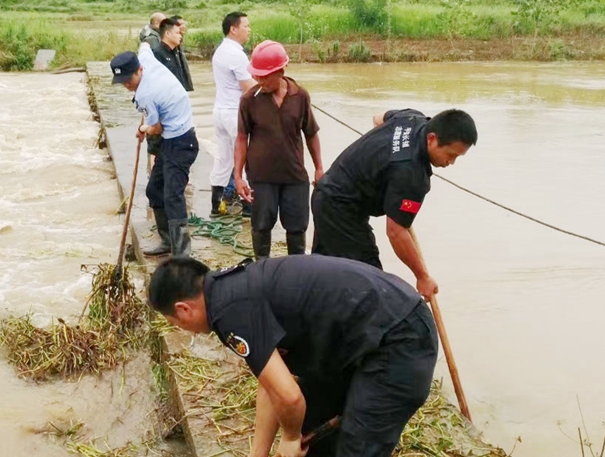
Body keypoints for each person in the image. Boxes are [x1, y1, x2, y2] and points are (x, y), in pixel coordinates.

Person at [148, 255, 438, 457]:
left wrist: (288, 438)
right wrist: (258, 453)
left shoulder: (228, 313)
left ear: (183, 309)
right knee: (313, 426)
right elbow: (272, 381)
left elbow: (289, 397)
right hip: (368, 332)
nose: (186, 332)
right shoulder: (229, 292)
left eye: (176, 324)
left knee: (357, 447)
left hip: (399, 337)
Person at [312, 108, 478, 300]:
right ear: (432, 138)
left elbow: (378, 119)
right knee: (369, 285)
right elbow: (396, 232)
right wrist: (422, 277)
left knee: (326, 276)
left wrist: (382, 156)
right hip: (339, 211)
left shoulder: (411, 118)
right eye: (451, 154)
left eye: (458, 157)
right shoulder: (411, 175)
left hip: (327, 194)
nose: (452, 162)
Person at [234, 40, 324, 258]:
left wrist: (319, 168)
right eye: (257, 75)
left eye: (264, 76)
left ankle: (295, 272)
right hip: (261, 176)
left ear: (280, 71)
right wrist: (238, 176)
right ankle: (261, 270)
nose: (259, 80)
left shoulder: (300, 96)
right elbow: (241, 137)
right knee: (261, 226)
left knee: (296, 228)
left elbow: (311, 133)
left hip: (294, 175)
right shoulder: (249, 100)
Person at [110, 51, 198, 258]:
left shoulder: (145, 95)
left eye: (129, 79)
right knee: (155, 190)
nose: (126, 85)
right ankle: (167, 241)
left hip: (182, 141)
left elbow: (156, 128)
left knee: (172, 195)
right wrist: (147, 125)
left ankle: (182, 254)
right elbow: (145, 46)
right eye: (121, 81)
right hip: (170, 141)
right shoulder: (147, 60)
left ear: (139, 70)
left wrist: (143, 130)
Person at [210, 12, 256, 216]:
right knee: (244, 157)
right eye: (246, 26)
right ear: (233, 29)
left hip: (220, 111)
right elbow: (248, 87)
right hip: (234, 113)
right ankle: (248, 207)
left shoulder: (221, 50)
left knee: (224, 159)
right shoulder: (236, 54)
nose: (249, 29)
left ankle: (216, 204)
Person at [153, 17, 193, 91]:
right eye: (177, 33)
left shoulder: (176, 52)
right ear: (167, 34)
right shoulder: (157, 54)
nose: (180, 36)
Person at [172, 15, 194, 92]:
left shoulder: (179, 42)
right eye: (180, 24)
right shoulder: (172, 44)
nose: (184, 26)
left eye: (184, 24)